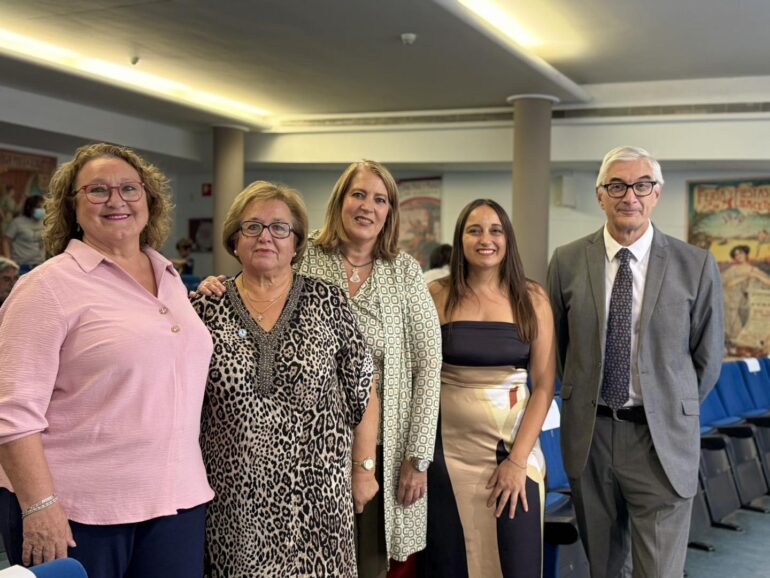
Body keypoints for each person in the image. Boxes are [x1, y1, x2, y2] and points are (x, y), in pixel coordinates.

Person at [198, 160, 442, 577]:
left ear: (390, 211)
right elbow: (260, 278)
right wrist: (212, 284)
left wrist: (416, 457)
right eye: (358, 195)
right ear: (339, 202)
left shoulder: (402, 271)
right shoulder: (305, 251)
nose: (367, 206)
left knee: (369, 562)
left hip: (376, 446)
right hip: (255, 469)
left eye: (379, 199)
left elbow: (428, 365)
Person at [0, 143, 214, 578]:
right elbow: (12, 413)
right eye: (97, 190)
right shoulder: (46, 287)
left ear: (149, 202)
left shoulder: (172, 279)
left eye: (129, 189)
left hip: (176, 501)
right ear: (72, 208)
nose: (116, 200)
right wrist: (40, 507)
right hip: (77, 511)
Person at [546, 145, 724, 578]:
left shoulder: (695, 264)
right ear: (600, 195)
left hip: (661, 441)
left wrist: (670, 406)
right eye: (618, 185)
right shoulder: (566, 261)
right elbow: (556, 348)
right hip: (592, 439)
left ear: (657, 194)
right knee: (604, 568)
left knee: (659, 571)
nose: (630, 196)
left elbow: (708, 356)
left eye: (642, 185)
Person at [191, 180, 377, 577]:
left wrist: (363, 468)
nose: (265, 237)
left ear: (295, 244)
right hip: (232, 502)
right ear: (234, 240)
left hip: (319, 497)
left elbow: (363, 384)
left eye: (280, 228)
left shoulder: (328, 301)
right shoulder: (204, 308)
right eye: (252, 226)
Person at [419, 199, 555, 578]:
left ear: (507, 238)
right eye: (474, 230)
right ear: (460, 238)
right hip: (447, 456)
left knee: (518, 561)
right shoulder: (437, 295)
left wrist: (516, 461)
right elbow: (418, 377)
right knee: (451, 563)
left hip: (512, 451)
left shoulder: (533, 298)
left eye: (495, 230)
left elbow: (544, 386)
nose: (486, 239)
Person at [721, 244, 770, 349]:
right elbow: (728, 284)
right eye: (736, 254)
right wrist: (746, 276)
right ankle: (732, 343)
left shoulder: (753, 269)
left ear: (745, 254)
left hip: (747, 301)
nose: (738, 255)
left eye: (740, 253)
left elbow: (768, 282)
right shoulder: (732, 270)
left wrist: (756, 275)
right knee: (733, 324)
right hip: (731, 301)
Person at [2, 194, 46, 272]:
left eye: (43, 207)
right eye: (39, 207)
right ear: (29, 208)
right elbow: (6, 240)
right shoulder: (17, 222)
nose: (42, 210)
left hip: (39, 265)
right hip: (21, 266)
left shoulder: (44, 222)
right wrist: (8, 261)